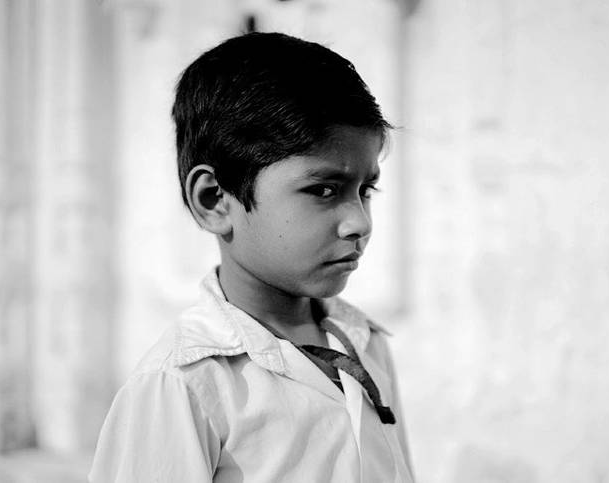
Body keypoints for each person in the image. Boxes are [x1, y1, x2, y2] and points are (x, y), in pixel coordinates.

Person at [89, 31, 415, 482]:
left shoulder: (362, 342)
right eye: (323, 190)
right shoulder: (184, 385)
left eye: (366, 190)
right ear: (214, 200)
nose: (359, 222)